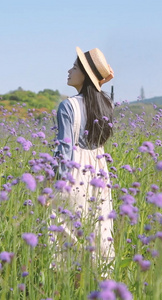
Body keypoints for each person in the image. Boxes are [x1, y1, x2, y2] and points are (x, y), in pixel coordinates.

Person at [52, 47, 115, 271]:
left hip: (74, 177)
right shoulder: (105, 105)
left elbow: (65, 152)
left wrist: (55, 184)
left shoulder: (68, 106)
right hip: (99, 175)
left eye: (75, 67)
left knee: (66, 243)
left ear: (85, 75)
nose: (69, 70)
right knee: (98, 239)